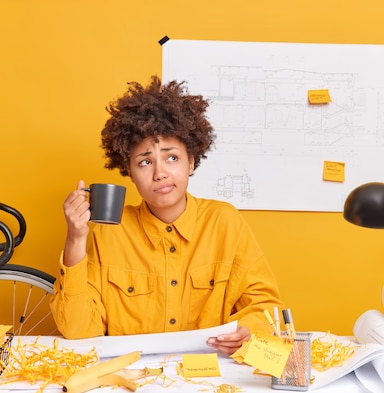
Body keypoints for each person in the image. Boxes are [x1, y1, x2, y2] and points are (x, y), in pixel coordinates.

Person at [50, 76, 285, 355]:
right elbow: (79, 333)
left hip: (210, 380)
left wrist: (250, 330)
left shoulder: (225, 222)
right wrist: (76, 238)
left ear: (191, 162)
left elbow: (267, 308)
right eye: (145, 162)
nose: (160, 172)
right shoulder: (109, 230)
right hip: (135, 381)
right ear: (130, 174)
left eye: (171, 157)